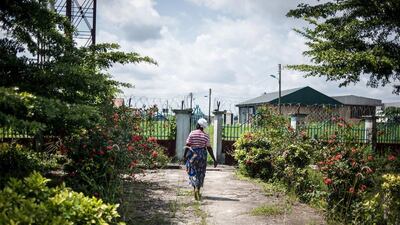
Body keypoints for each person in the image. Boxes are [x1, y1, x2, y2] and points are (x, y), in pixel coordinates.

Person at [184, 118, 217, 200]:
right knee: (201, 172)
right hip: (202, 155)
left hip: (193, 155)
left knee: (192, 171)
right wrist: (214, 159)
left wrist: (184, 156)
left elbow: (188, 145)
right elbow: (209, 148)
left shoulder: (192, 133)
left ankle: (194, 187)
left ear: (198, 125)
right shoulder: (205, 135)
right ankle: (198, 190)